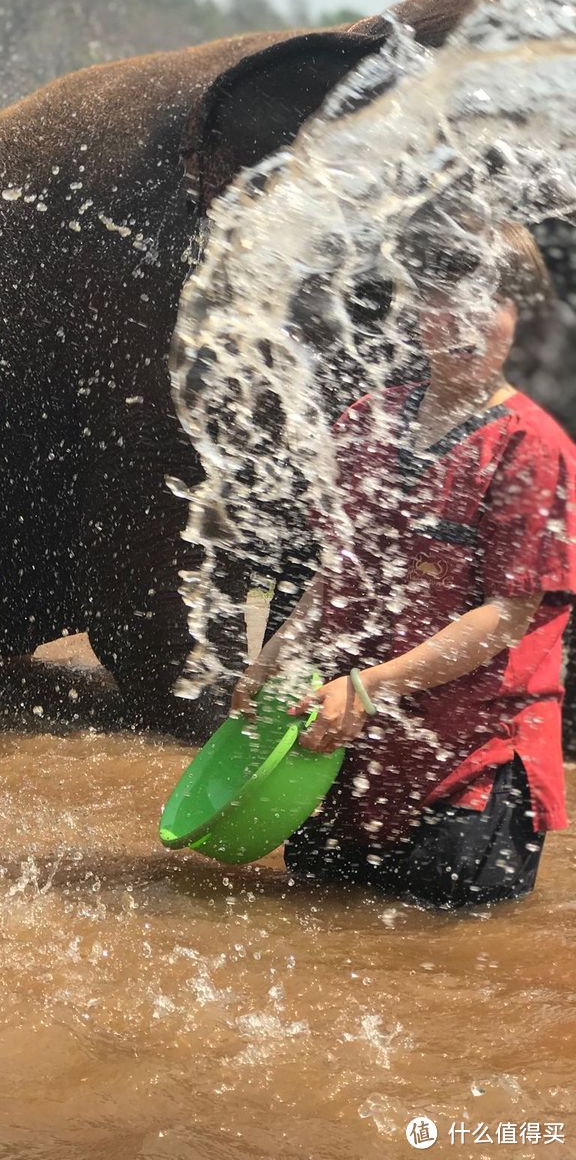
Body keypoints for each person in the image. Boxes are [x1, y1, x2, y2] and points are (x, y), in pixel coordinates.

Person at [233, 216, 576, 908]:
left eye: (489, 304)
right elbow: (337, 577)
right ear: (417, 310)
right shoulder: (364, 422)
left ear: (515, 317)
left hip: (471, 768)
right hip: (344, 751)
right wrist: (272, 661)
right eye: (445, 300)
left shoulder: (533, 449)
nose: (464, 323)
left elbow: (508, 618)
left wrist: (369, 686)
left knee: (446, 959)